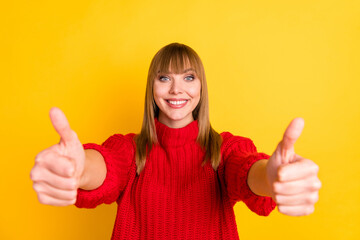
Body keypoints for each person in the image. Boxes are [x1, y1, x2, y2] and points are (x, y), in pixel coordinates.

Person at [30, 43, 321, 239]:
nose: (176, 89)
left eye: (189, 77)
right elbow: (106, 166)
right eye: (164, 78)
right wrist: (78, 170)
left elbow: (248, 170)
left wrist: (273, 177)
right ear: (152, 87)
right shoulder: (130, 150)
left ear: (201, 87)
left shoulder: (224, 150)